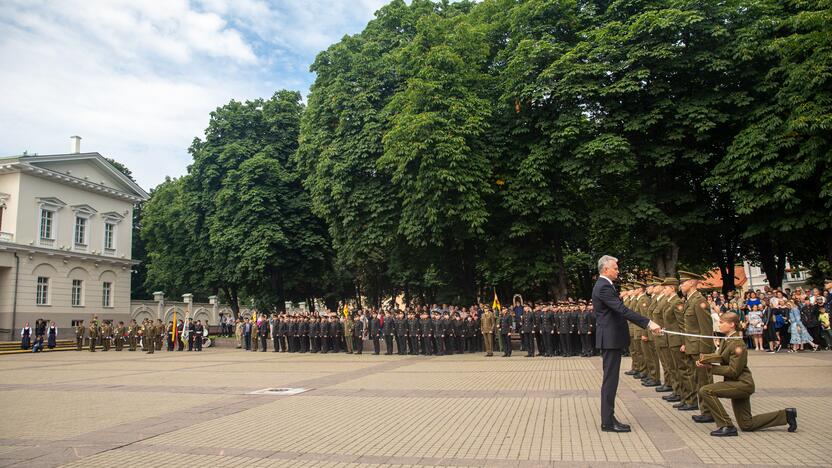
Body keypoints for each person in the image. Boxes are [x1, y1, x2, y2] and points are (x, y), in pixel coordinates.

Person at [696, 312, 797, 436]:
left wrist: (710, 368)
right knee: (747, 424)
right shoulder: (727, 340)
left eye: (722, 322)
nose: (719, 324)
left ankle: (726, 425)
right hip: (736, 383)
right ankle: (786, 415)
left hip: (742, 384)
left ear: (732, 324)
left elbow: (734, 371)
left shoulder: (738, 344)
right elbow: (721, 357)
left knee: (705, 391)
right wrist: (705, 358)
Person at [593, 255, 660, 433]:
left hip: (611, 338)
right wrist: (648, 323)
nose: (618, 271)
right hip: (610, 339)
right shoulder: (604, 287)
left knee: (611, 380)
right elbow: (621, 310)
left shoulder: (605, 286)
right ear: (606, 269)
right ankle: (607, 421)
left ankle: (608, 418)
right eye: (615, 268)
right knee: (610, 381)